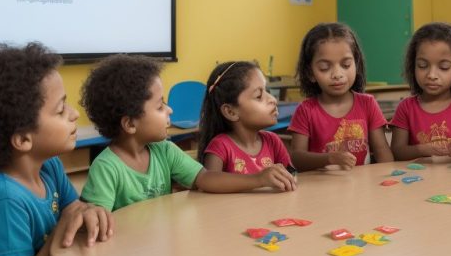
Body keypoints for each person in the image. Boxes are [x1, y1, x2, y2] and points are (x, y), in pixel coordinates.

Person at [80, 55, 296, 212]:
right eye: (160, 106)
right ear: (130, 124)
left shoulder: (164, 151)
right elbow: (95, 220)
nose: (170, 109)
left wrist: (258, 179)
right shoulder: (106, 168)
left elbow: (206, 179)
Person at [0, 43, 114, 256]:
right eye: (61, 110)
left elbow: (74, 207)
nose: (74, 114)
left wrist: (88, 210)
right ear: (23, 139)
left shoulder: (49, 166)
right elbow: (67, 219)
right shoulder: (7, 199)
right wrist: (63, 228)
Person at [288, 23, 393, 171]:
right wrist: (329, 158)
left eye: (346, 65)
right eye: (325, 67)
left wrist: (391, 179)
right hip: (322, 188)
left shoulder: (367, 103)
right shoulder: (306, 110)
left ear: (356, 64)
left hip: (363, 188)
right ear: (310, 73)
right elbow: (296, 158)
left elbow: (383, 152)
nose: (337, 74)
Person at [389, 23, 451, 161]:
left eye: (444, 67)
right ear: (413, 66)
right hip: (418, 179)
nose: (432, 75)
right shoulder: (406, 107)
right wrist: (424, 149)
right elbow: (397, 151)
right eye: (422, 66)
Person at [197, 61, 292, 175]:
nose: (273, 99)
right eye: (259, 96)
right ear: (231, 112)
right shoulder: (221, 147)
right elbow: (209, 182)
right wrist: (259, 180)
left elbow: (292, 174)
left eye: (267, 91)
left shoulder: (273, 141)